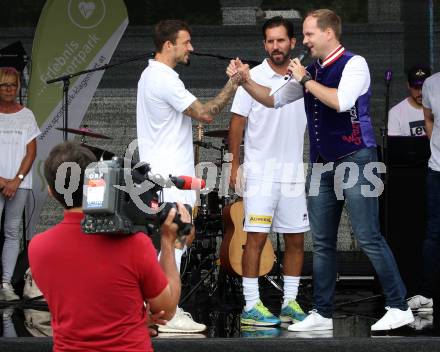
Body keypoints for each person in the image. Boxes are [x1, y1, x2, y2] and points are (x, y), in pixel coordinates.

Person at [227, 9, 414, 332]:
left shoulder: (354, 64)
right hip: (322, 164)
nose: (307, 40)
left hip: (356, 158)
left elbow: (340, 101)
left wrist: (306, 80)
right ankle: (323, 312)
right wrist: (245, 81)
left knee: (368, 235)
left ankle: (399, 305)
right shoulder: (309, 70)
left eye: (310, 34)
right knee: (323, 242)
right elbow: (272, 100)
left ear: (329, 33)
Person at [29, 141, 185, 351]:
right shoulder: (135, 244)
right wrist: (169, 243)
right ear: (98, 182)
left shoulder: (38, 248)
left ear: (50, 191)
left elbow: (80, 307)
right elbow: (165, 310)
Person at [136, 19, 239, 333]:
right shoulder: (163, 78)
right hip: (169, 179)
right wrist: (232, 84)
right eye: (186, 42)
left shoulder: (151, 76)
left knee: (172, 243)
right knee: (174, 242)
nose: (191, 48)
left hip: (165, 176)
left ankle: (159, 308)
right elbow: (206, 112)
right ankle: (165, 311)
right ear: (169, 45)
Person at [228, 17, 308, 327]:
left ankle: (289, 303)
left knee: (296, 241)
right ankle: (251, 306)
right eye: (270, 41)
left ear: (292, 42)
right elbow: (237, 123)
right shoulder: (252, 76)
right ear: (265, 44)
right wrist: (235, 165)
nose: (276, 46)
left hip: (292, 174)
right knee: (256, 240)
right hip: (261, 173)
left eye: (281, 40)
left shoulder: (303, 76)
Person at [0, 67, 40, 301]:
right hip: (4, 182)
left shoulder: (27, 115)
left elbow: (31, 152)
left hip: (20, 184)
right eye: (5, 85)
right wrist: (3, 181)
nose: (9, 89)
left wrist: (17, 180)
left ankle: (5, 284)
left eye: (13, 85)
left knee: (12, 232)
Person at [407, 71, 440, 313]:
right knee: (433, 233)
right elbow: (428, 118)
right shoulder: (431, 83)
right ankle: (426, 294)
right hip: (437, 169)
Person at [388, 65, 431, 136]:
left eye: (424, 87)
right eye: (416, 88)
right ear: (408, 85)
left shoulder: (437, 106)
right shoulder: (395, 112)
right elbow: (396, 144)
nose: (421, 92)